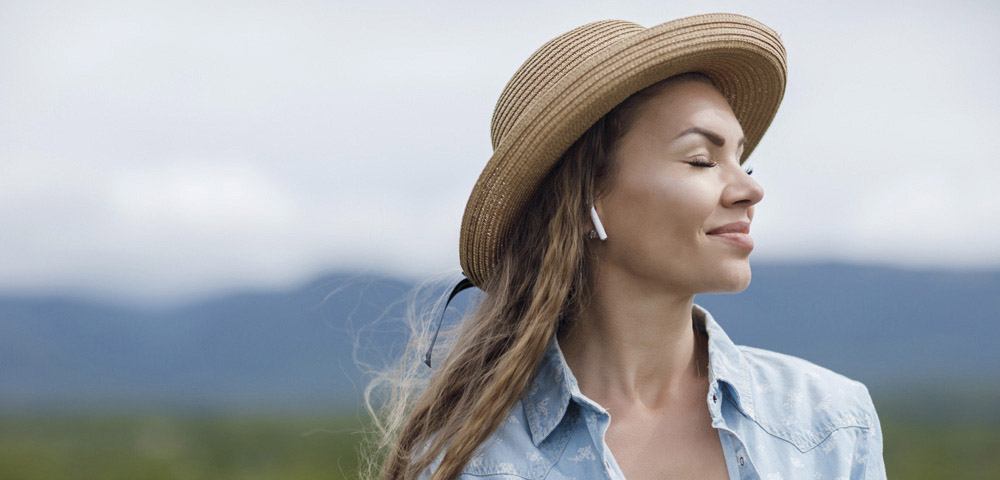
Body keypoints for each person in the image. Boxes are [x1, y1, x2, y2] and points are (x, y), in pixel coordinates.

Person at [358, 13, 887, 480]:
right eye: (702, 160)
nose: (750, 189)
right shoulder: (470, 461)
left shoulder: (832, 423)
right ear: (585, 199)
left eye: (743, 161)